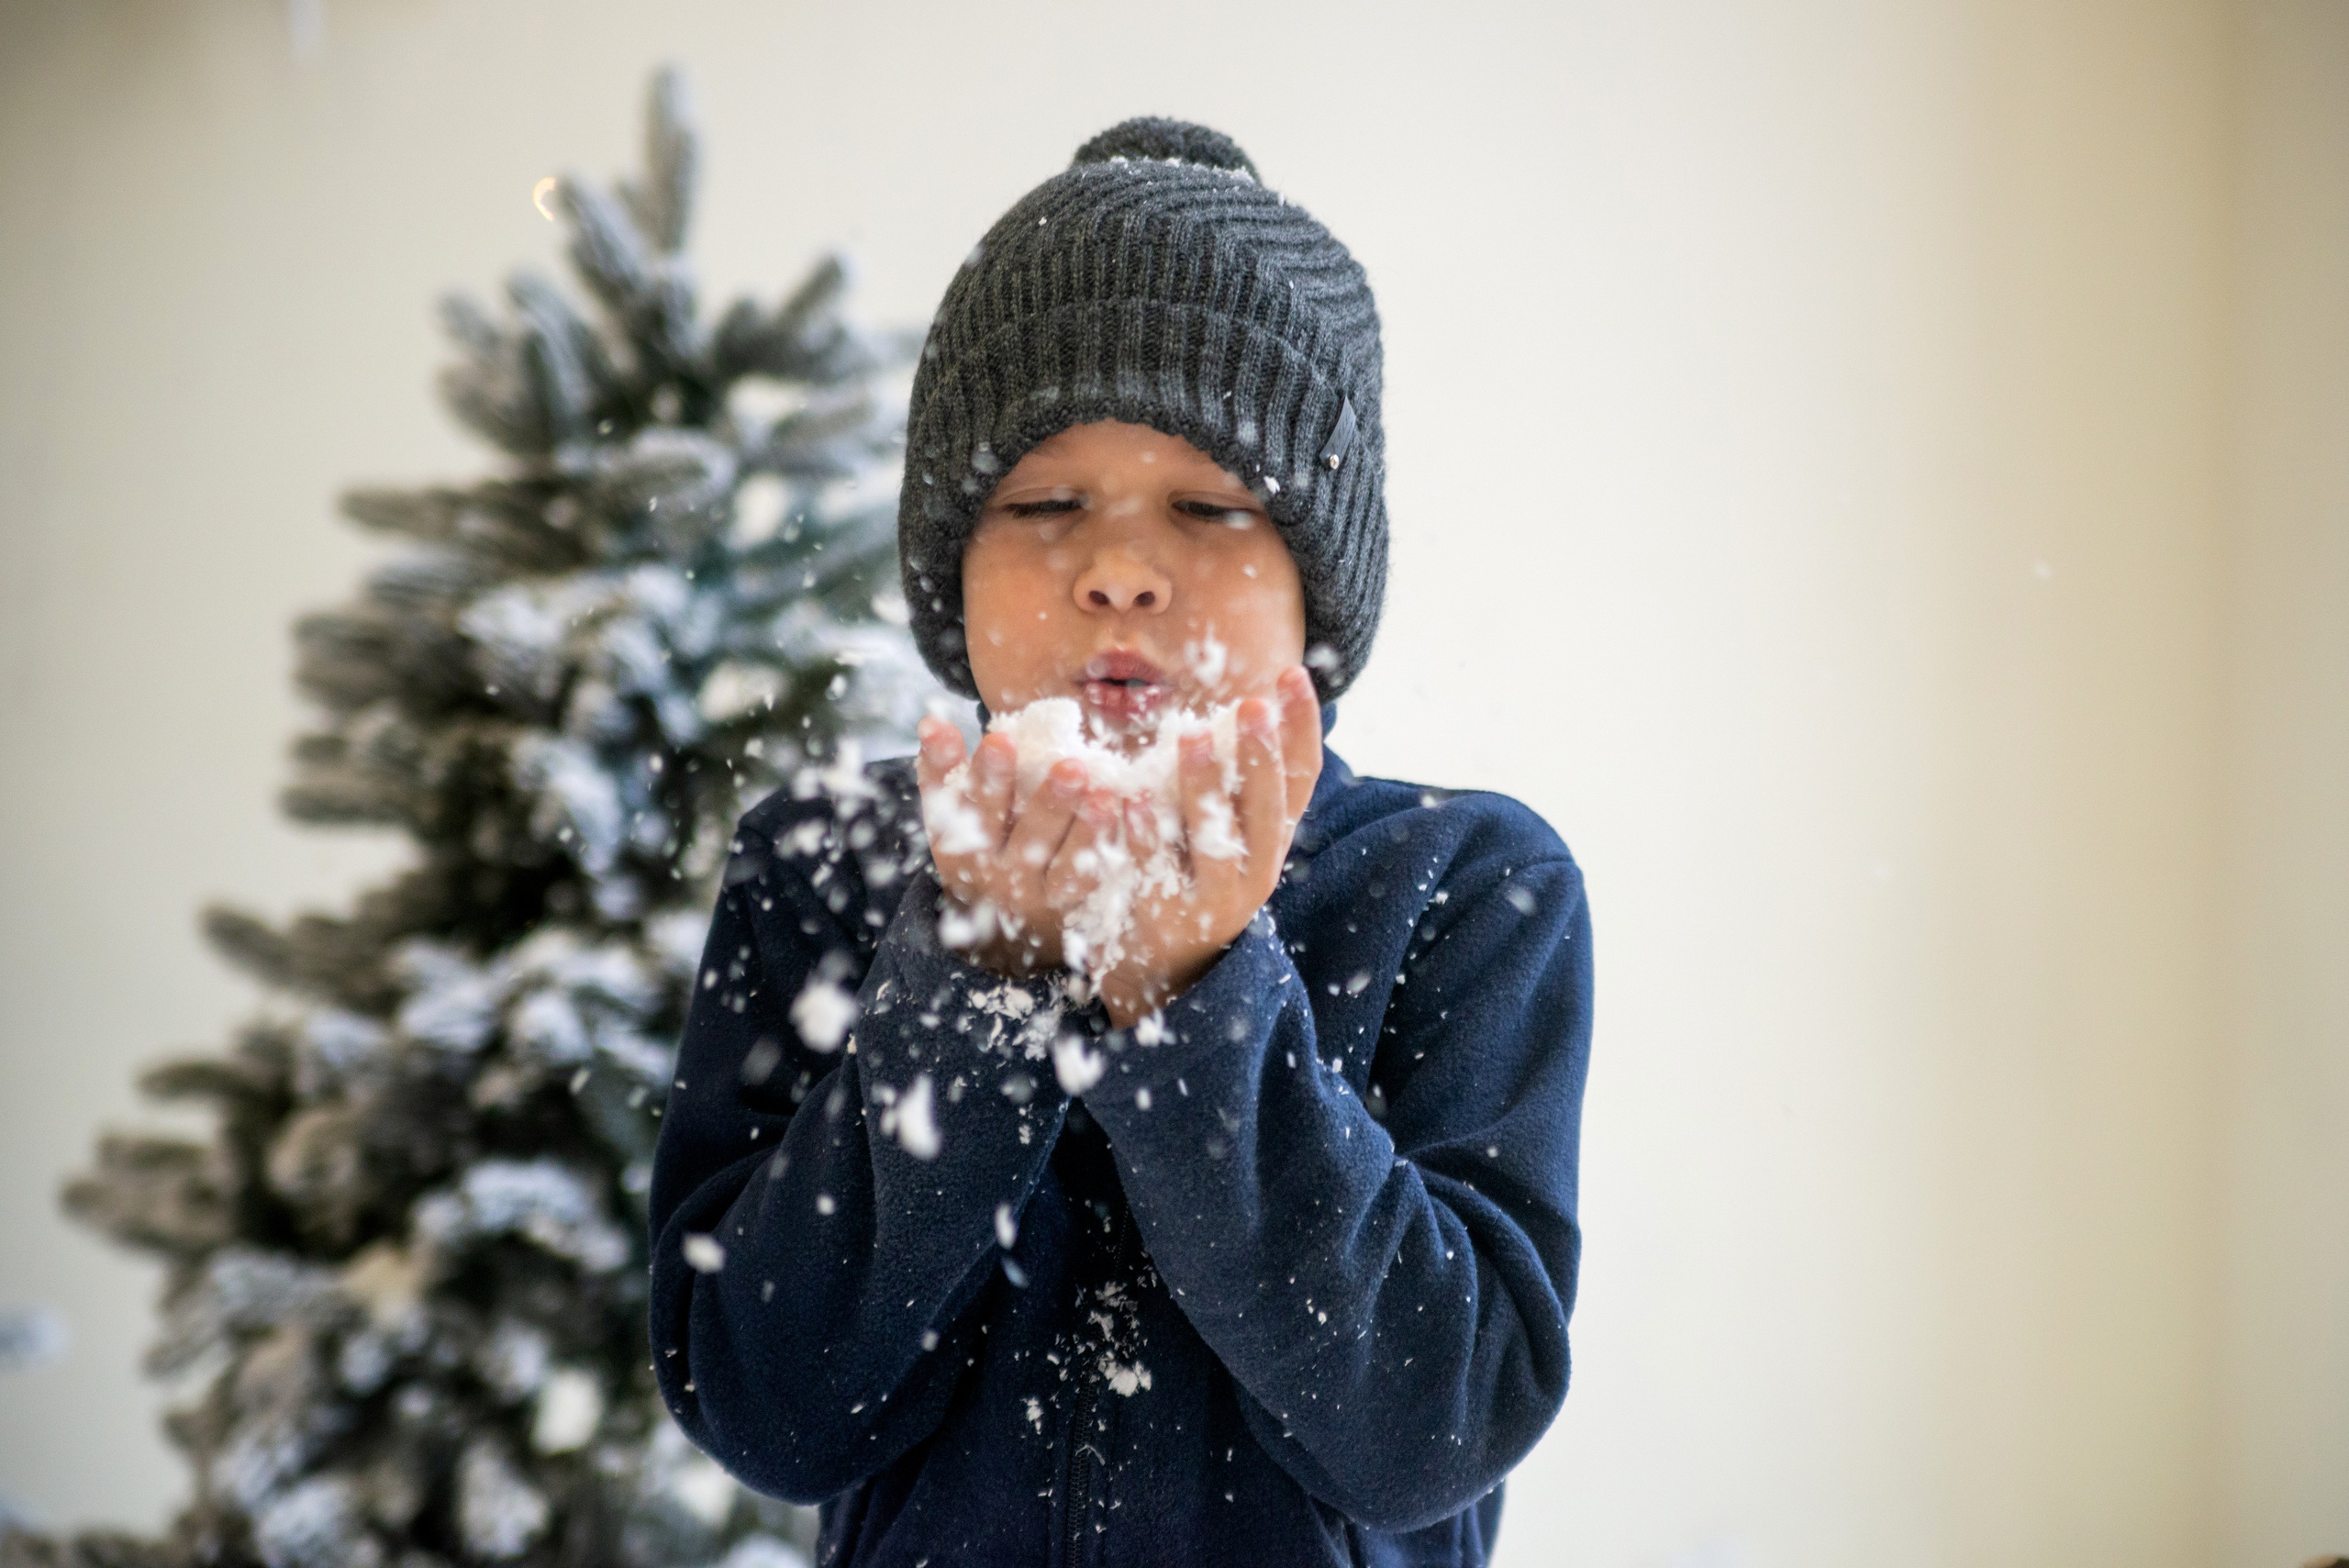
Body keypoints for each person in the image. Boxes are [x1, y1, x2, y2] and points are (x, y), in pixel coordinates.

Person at [649, 117, 1593, 1568]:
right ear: (952, 571)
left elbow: (1434, 1423)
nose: (1119, 570)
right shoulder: (821, 868)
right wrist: (978, 983)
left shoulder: (1467, 890)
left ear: (1319, 585)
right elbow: (760, 1399)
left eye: (1208, 505)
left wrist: (1193, 997)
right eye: (1045, 502)